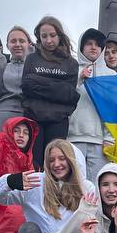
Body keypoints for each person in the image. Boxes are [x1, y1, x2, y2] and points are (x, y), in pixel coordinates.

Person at [22, 16, 80, 166]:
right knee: (34, 164)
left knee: (55, 163)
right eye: (44, 36)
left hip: (58, 120)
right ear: (39, 37)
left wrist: (39, 82)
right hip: (34, 118)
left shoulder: (71, 63)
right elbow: (27, 86)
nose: (48, 40)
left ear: (60, 35)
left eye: (52, 35)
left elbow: (68, 94)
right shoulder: (31, 59)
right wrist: (56, 87)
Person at [68, 28, 112, 183]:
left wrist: (110, 138)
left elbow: (114, 110)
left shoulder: (111, 75)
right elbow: (63, 97)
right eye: (89, 44)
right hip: (72, 138)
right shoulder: (70, 70)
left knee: (98, 187)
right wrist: (79, 78)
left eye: (98, 45)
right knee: (73, 185)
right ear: (81, 47)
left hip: (101, 142)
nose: (94, 47)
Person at [0, 26, 33, 143]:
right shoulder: (2, 66)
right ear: (7, 45)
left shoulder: (35, 68)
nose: (17, 44)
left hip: (25, 119)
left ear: (29, 44)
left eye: (21, 41)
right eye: (13, 41)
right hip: (0, 118)